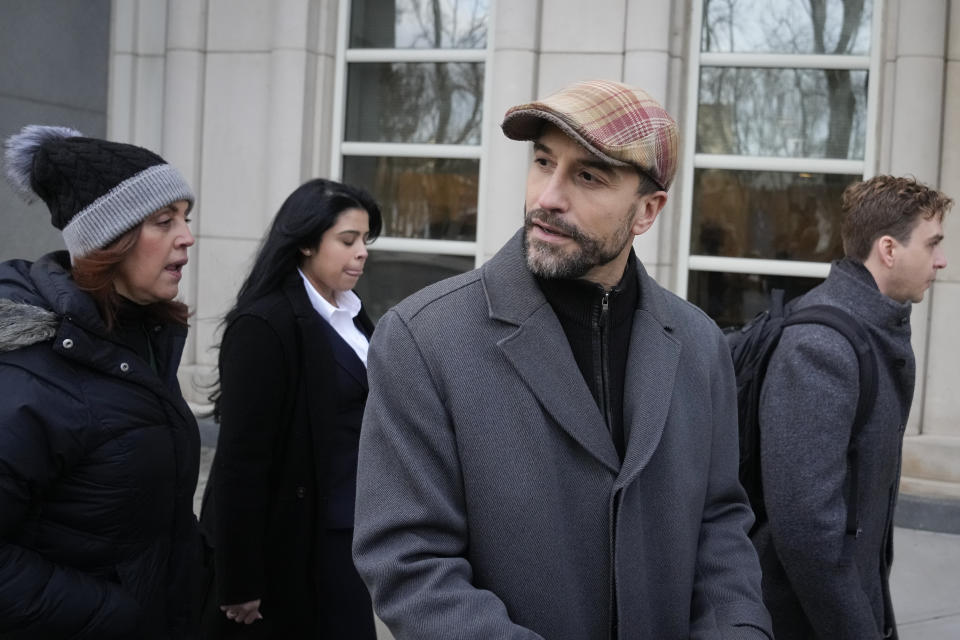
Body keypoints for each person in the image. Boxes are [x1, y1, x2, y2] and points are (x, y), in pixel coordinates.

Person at [353, 79, 773, 639]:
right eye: (543, 162)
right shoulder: (423, 338)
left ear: (647, 210)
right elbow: (409, 562)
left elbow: (720, 524)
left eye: (588, 175)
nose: (547, 196)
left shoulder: (700, 342)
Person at [0, 125, 201, 638]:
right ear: (109, 241)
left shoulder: (142, 338)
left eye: (185, 217)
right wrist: (109, 612)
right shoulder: (29, 372)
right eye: (164, 220)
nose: (187, 236)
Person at [755, 175, 951, 639]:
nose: (941, 260)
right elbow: (808, 534)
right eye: (933, 244)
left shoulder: (875, 329)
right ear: (888, 250)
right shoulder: (820, 348)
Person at [199, 178, 382, 639]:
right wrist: (239, 579)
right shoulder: (264, 324)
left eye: (365, 240)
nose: (362, 252)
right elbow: (241, 462)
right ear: (304, 242)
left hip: (350, 532)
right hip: (293, 546)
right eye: (348, 240)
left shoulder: (353, 313)